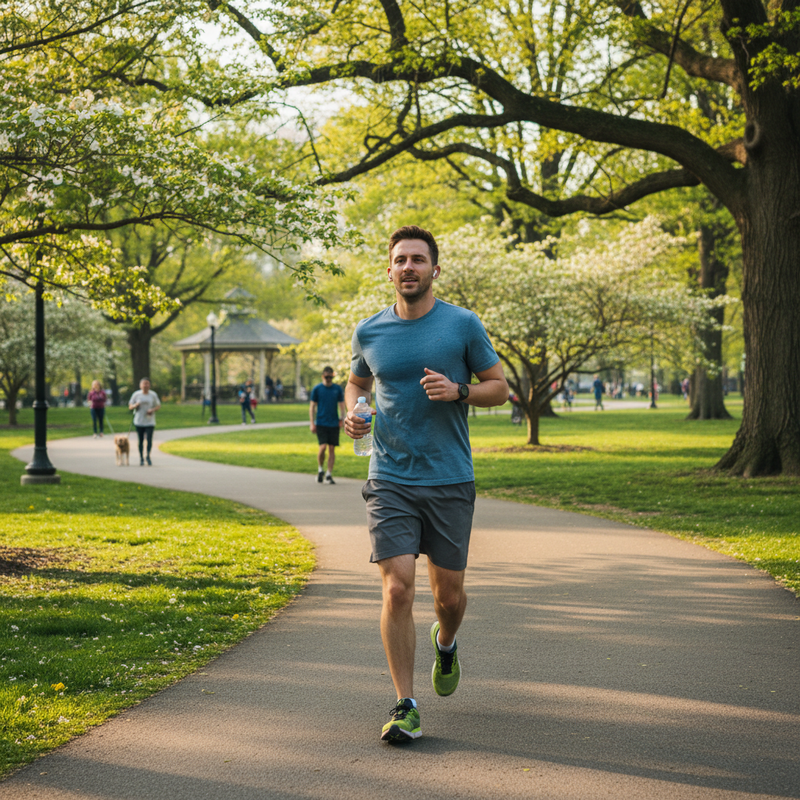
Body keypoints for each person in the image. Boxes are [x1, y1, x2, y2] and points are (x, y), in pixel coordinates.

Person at [344, 225, 508, 744]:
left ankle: (447, 641)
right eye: (400, 260)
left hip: (449, 478)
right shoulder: (369, 331)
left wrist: (460, 390)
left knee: (449, 599)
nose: (408, 267)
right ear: (389, 270)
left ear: (435, 269)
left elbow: (499, 389)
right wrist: (355, 413)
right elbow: (358, 382)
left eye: (418, 259)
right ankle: (405, 705)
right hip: (389, 476)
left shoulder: (461, 325)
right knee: (396, 588)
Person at [309, 367, 346, 485]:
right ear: (322, 376)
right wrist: (312, 422)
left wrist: (342, 420)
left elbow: (341, 406)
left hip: (334, 423)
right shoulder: (317, 389)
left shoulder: (337, 389)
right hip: (321, 422)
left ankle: (329, 474)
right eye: (327, 377)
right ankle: (320, 469)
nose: (329, 379)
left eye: (331, 377)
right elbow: (312, 407)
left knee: (332, 449)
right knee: (323, 447)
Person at [128, 378, 161, 466]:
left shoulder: (153, 395)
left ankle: (148, 456)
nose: (145, 385)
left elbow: (158, 405)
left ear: (149, 385)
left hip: (150, 421)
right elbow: (130, 406)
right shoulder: (136, 394)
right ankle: (141, 458)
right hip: (139, 421)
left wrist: (152, 410)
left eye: (147, 384)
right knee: (141, 440)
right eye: (144, 384)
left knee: (149, 440)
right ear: (140, 385)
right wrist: (135, 405)